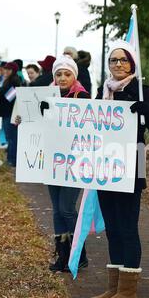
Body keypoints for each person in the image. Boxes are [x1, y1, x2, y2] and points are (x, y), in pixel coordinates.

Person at [89, 40, 149, 298]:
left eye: (123, 60)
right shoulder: (101, 93)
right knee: (112, 228)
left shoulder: (143, 91)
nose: (118, 64)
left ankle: (129, 291)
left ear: (132, 64)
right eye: (113, 60)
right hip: (103, 168)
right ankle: (114, 287)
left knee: (127, 227)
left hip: (130, 169)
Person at [40, 55, 90, 273]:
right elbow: (31, 125)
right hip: (52, 161)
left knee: (67, 208)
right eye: (58, 74)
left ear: (74, 76)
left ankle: (79, 254)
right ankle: (62, 255)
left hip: (74, 161)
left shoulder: (82, 96)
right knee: (57, 211)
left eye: (66, 74)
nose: (62, 78)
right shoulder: (44, 97)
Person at [0, 62, 21, 166]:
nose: (6, 71)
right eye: (5, 69)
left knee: (12, 137)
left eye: (8, 69)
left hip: (10, 113)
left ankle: (12, 160)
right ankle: (11, 159)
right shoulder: (7, 80)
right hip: (7, 112)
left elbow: (10, 97)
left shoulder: (15, 81)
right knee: (10, 137)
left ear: (13, 71)